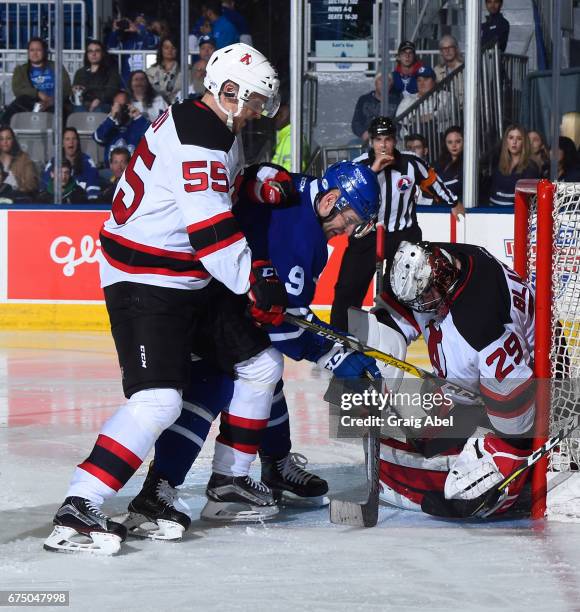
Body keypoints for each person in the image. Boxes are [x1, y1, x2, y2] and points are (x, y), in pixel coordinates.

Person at [44, 42, 286, 555]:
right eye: (256, 100)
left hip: (186, 275)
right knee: (158, 400)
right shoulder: (201, 137)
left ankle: (226, 484)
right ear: (229, 92)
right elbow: (212, 233)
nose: (260, 110)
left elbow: (223, 196)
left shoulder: (211, 123)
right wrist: (255, 281)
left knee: (259, 364)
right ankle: (79, 506)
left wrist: (259, 183)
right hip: (145, 280)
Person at [125, 161, 382, 530]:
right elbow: (286, 326)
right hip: (206, 298)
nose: (347, 232)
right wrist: (335, 354)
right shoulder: (303, 237)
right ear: (331, 200)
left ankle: (271, 465)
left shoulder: (302, 192)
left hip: (210, 291)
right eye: (351, 220)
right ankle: (204, 485)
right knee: (225, 379)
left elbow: (256, 175)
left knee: (260, 372)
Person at [374, 240, 535, 518]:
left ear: (441, 280)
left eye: (425, 297)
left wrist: (507, 461)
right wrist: (373, 357)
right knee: (407, 438)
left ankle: (530, 476)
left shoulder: (481, 326)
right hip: (479, 393)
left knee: (462, 491)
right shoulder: (437, 259)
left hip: (528, 398)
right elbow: (393, 317)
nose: (422, 306)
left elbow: (517, 414)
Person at [330, 116, 463, 331]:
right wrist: (373, 169)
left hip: (404, 234)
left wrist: (454, 202)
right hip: (366, 233)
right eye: (378, 139)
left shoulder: (411, 163)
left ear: (395, 140)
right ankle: (338, 337)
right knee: (348, 287)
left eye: (388, 139)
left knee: (401, 289)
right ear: (371, 142)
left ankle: (391, 333)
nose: (383, 145)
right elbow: (346, 193)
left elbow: (433, 182)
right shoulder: (361, 165)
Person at [1, 37, 72, 125]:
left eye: (38, 50)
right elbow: (18, 89)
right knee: (12, 110)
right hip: (29, 103)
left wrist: (51, 101)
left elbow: (66, 88)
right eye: (32, 50)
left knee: (58, 113)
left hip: (55, 103)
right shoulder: (20, 70)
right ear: (28, 52)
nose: (35, 53)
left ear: (44, 52)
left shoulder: (56, 67)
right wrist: (38, 93)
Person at [93, 89, 150, 166]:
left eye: (124, 105)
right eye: (118, 105)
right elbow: (98, 138)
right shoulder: (110, 126)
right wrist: (112, 117)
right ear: (112, 107)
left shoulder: (137, 125)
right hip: (111, 172)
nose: (121, 109)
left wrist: (138, 117)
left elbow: (151, 137)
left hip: (132, 172)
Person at [41, 127, 100, 200]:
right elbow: (44, 189)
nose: (71, 142)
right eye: (67, 139)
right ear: (62, 143)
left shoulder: (87, 162)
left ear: (78, 142)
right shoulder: (54, 162)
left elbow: (93, 193)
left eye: (74, 139)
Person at [396, 66, 453, 140]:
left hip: (437, 139)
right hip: (411, 140)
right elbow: (400, 120)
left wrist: (431, 116)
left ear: (434, 81)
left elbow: (447, 112)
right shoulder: (408, 99)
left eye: (426, 80)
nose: (422, 83)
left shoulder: (445, 96)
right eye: (419, 80)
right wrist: (419, 119)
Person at [489, 124, 540, 206]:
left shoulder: (531, 167)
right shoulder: (498, 164)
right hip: (494, 212)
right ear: (506, 141)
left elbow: (526, 198)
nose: (514, 142)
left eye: (519, 138)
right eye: (511, 138)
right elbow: (492, 193)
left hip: (516, 214)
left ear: (524, 142)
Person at [71, 39, 122, 113]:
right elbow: (75, 92)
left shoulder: (111, 71)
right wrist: (76, 92)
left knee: (99, 110)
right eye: (90, 51)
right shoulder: (80, 72)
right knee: (78, 111)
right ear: (87, 54)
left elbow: (111, 90)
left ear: (102, 53)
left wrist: (98, 99)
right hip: (83, 104)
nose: (93, 54)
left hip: (103, 104)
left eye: (97, 51)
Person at [351, 72, 399, 143]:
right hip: (368, 137)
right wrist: (363, 133)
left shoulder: (396, 101)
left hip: (388, 137)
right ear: (375, 83)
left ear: (391, 85)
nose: (384, 84)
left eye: (388, 81)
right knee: (354, 144)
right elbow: (356, 122)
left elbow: (399, 123)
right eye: (380, 80)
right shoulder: (364, 99)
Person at [0, 126, 39, 199]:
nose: (5, 142)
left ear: (13, 140)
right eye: (1, 139)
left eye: (8, 138)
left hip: (18, 202)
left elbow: (31, 185)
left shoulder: (24, 160)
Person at [146, 35, 183, 104]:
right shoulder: (150, 72)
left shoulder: (186, 71)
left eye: (173, 48)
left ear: (178, 50)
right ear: (161, 49)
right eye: (166, 47)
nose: (170, 50)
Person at [434, 126, 463, 201]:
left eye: (458, 141)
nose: (454, 145)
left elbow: (457, 186)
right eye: (450, 142)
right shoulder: (439, 163)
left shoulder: (468, 164)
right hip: (437, 207)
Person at [434, 34, 464, 106]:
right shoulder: (437, 70)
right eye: (444, 48)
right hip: (443, 109)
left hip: (462, 109)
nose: (447, 51)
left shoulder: (465, 69)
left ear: (456, 49)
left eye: (450, 47)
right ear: (441, 52)